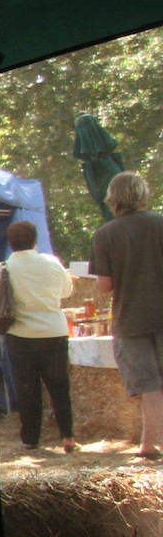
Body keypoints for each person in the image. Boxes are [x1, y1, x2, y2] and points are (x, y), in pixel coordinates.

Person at [0, 220, 76, 453]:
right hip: (54, 331)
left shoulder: (4, 268)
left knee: (27, 387)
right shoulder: (52, 263)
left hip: (21, 334)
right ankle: (68, 436)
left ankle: (31, 438)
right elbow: (67, 291)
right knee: (59, 386)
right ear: (35, 240)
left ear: (11, 243)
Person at [91, 171, 163, 460]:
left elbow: (105, 287)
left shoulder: (104, 234)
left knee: (149, 386)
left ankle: (149, 444)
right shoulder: (160, 223)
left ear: (112, 198)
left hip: (131, 319)